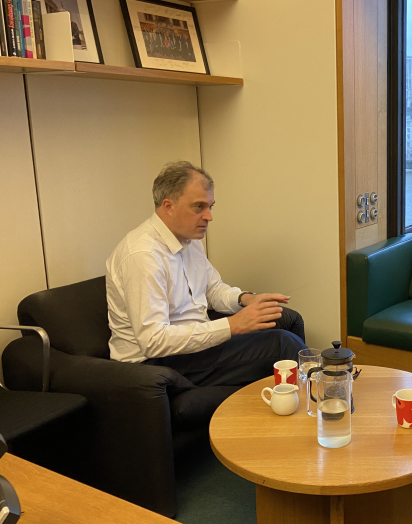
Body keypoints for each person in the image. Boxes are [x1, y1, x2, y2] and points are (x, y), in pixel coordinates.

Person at [106, 161, 306, 387]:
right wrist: (232, 325)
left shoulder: (190, 241)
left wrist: (245, 300)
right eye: (198, 207)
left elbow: (212, 289)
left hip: (194, 345)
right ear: (168, 206)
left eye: (210, 206)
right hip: (156, 362)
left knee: (288, 322)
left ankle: (287, 406)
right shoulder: (143, 256)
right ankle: (322, 401)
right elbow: (153, 341)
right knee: (281, 344)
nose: (209, 216)